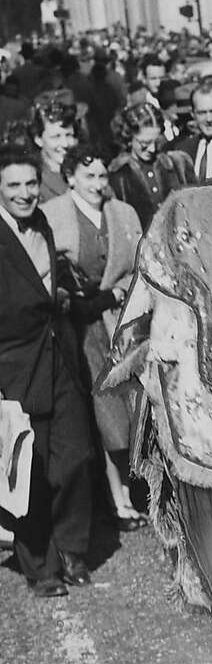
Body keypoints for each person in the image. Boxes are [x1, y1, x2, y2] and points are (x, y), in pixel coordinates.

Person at [0, 145, 94, 596]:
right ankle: (41, 567)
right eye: (13, 185)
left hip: (57, 355)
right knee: (29, 470)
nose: (25, 193)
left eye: (31, 183)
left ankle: (72, 547)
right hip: (15, 367)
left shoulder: (40, 222)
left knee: (75, 455)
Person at [43, 147, 144, 526]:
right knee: (104, 414)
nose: (98, 185)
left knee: (128, 409)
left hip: (120, 324)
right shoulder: (54, 217)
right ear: (70, 178)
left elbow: (137, 262)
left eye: (102, 177)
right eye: (89, 177)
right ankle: (114, 499)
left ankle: (129, 490)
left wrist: (121, 293)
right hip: (81, 330)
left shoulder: (122, 213)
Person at [107, 101, 195, 229]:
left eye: (157, 141)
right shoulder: (118, 176)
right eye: (145, 143)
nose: (152, 149)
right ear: (129, 137)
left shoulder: (179, 163)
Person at [32, 99, 79, 202]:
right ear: (38, 140)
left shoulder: (88, 169)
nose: (65, 144)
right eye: (56, 137)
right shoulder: (32, 177)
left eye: (69, 135)